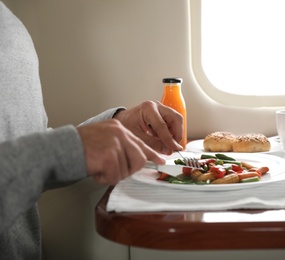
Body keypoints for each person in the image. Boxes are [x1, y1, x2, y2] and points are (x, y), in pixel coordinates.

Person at [0, 2, 184, 259]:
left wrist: (117, 125)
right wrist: (63, 150)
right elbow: (35, 158)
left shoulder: (8, 22)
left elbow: (22, 152)